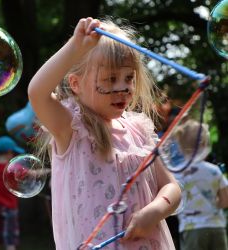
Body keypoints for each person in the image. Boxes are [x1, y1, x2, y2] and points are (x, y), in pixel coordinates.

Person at [28, 17, 181, 249]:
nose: (122, 88)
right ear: (76, 84)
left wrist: (156, 210)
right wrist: (75, 46)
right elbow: (37, 92)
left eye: (129, 78)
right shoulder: (72, 128)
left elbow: (172, 187)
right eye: (110, 79)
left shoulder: (138, 132)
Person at [172, 119, 228, 250]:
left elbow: (173, 205)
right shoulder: (214, 171)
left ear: (180, 146)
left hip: (191, 228)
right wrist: (212, 207)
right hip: (216, 226)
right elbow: (225, 201)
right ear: (205, 144)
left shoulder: (177, 174)